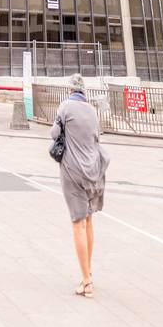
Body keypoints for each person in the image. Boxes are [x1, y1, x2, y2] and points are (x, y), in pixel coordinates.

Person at [51, 74, 109, 299]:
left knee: (77, 224)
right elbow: (96, 138)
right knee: (88, 221)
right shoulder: (92, 110)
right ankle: (88, 270)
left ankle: (87, 281)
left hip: (73, 171)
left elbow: (54, 134)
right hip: (94, 171)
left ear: (70, 90)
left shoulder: (65, 107)